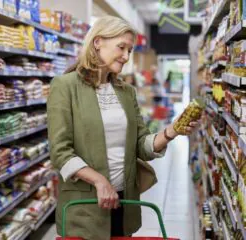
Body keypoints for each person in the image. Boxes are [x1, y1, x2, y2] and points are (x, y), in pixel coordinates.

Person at [47, 16, 199, 240]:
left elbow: (141, 144)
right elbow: (60, 152)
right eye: (122, 47)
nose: (127, 56)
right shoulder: (65, 86)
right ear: (98, 42)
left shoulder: (126, 92)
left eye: (130, 50)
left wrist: (171, 131)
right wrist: (99, 181)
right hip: (85, 204)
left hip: (123, 201)